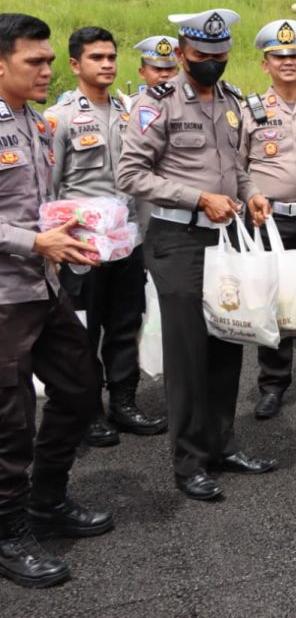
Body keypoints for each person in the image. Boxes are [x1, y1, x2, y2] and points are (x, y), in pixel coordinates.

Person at [116, 8, 276, 502]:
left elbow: (237, 166)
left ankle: (221, 445)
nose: (213, 63)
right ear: (183, 54)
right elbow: (131, 175)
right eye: (203, 56)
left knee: (229, 339)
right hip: (178, 239)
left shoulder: (231, 101)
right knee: (189, 354)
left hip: (225, 238)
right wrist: (196, 197)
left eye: (221, 55)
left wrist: (250, 192)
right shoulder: (155, 104)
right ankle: (188, 463)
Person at [0, 13, 113, 589]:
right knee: (10, 422)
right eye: (35, 61)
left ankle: (46, 498)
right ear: (1, 64)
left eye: (49, 60)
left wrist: (71, 231)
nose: (47, 69)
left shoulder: (39, 124)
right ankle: (9, 531)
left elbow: (43, 202)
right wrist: (32, 241)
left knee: (78, 386)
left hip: (44, 286)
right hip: (4, 301)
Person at [45, 27, 165, 448]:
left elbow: (142, 180)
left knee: (124, 325)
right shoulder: (58, 119)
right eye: (97, 58)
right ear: (76, 65)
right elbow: (49, 189)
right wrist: (52, 249)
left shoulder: (132, 112)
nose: (107, 65)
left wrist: (145, 240)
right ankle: (89, 411)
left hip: (127, 243)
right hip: (82, 249)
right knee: (82, 333)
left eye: (111, 57)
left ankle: (125, 403)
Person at [238, 20, 296, 420]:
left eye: (295, 55)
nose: (288, 62)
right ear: (266, 64)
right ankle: (273, 384)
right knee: (274, 302)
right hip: (269, 221)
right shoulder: (249, 111)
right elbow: (236, 167)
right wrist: (250, 196)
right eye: (279, 57)